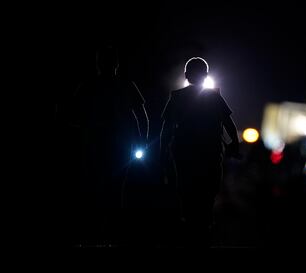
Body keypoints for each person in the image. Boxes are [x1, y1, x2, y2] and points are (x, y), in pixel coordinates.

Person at [69, 45, 149, 244]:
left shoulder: (88, 86)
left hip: (96, 146)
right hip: (118, 147)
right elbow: (141, 116)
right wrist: (142, 141)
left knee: (94, 190)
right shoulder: (125, 85)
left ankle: (93, 236)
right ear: (116, 64)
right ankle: (110, 236)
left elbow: (73, 116)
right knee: (114, 191)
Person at [160, 57, 239, 247]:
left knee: (187, 197)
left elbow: (166, 129)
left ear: (186, 76)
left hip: (184, 156)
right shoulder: (214, 97)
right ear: (206, 76)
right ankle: (204, 235)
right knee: (207, 197)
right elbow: (229, 124)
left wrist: (162, 153)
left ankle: (191, 235)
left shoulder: (177, 97)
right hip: (210, 155)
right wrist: (234, 145)